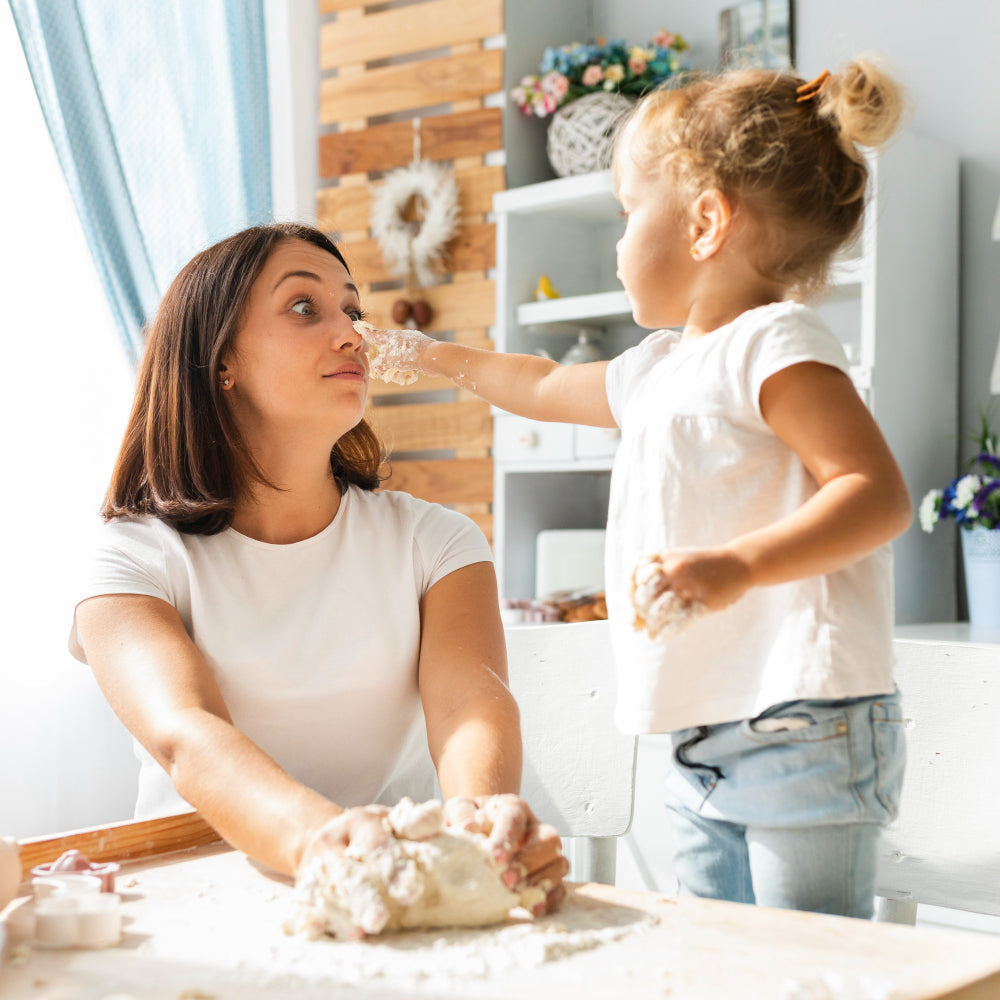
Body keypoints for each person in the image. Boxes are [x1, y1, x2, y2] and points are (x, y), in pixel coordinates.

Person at [363, 60, 913, 918]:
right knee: (717, 962)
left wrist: (735, 565)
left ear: (704, 221)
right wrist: (434, 358)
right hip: (704, 733)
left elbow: (874, 494)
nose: (618, 245)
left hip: (804, 722)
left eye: (627, 213)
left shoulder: (773, 342)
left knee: (809, 968)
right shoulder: (658, 368)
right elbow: (541, 385)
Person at [69, 222, 567, 912]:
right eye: (305, 307)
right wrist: (324, 844)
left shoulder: (439, 542)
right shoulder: (131, 560)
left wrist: (481, 829)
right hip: (204, 899)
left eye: (352, 310)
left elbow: (468, 709)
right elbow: (188, 734)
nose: (352, 334)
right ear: (222, 364)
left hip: (397, 892)